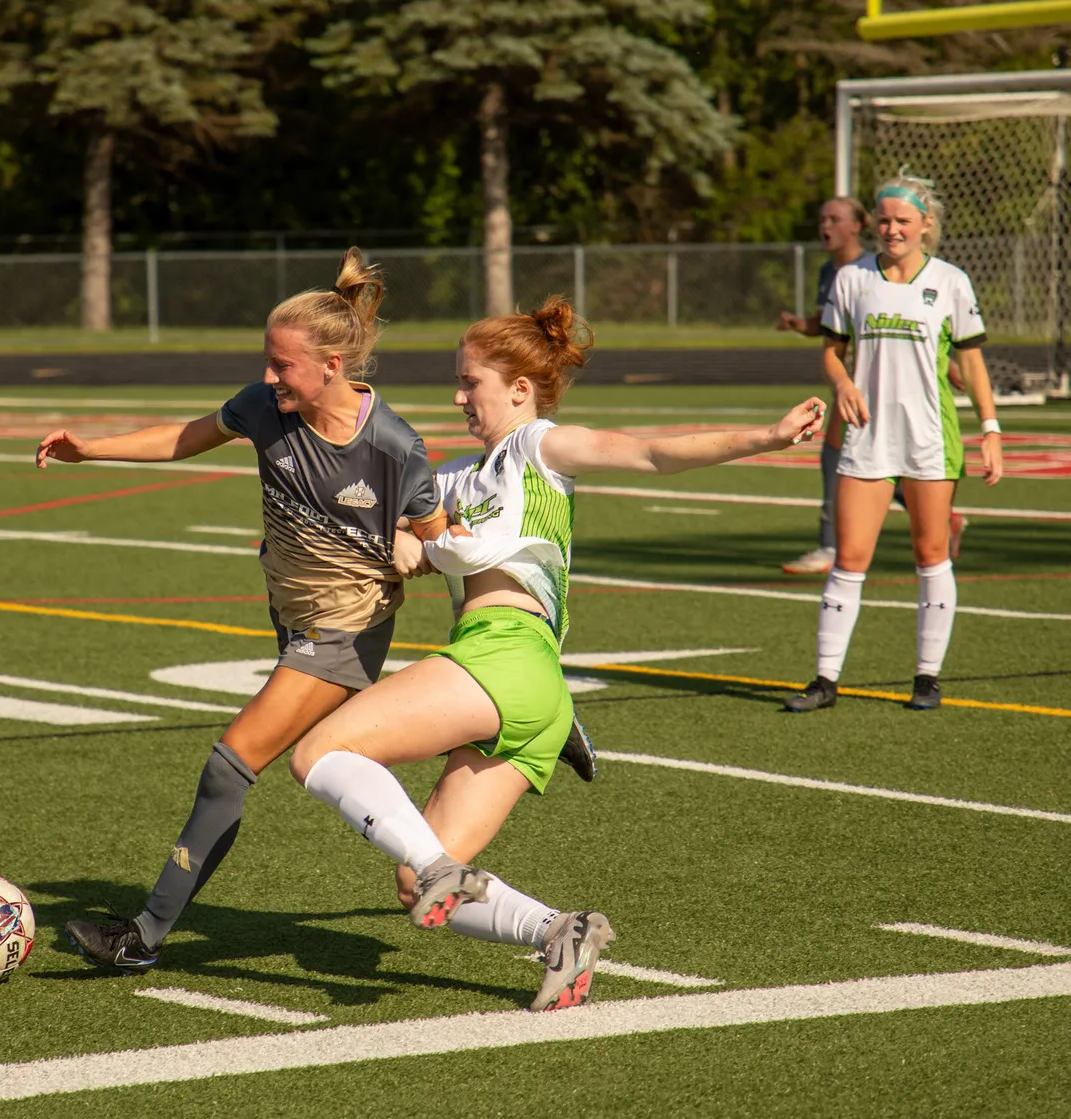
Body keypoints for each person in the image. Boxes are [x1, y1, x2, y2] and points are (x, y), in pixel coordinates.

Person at [288, 296, 826, 1011]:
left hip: (506, 655)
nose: (457, 395)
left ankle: (453, 872)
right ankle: (560, 932)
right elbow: (373, 519)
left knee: (317, 753)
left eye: (469, 380)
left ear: (519, 389)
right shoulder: (448, 477)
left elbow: (648, 451)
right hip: (532, 694)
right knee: (417, 883)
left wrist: (767, 434)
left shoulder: (536, 445)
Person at [34, 248, 454, 972]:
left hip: (345, 633)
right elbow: (189, 434)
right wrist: (91, 449)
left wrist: (415, 541)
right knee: (337, 760)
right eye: (267, 360)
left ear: (330, 366)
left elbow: (450, 548)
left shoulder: (393, 445)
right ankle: (496, 740)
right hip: (294, 622)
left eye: (282, 364)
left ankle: (144, 935)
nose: (267, 376)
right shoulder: (266, 407)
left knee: (232, 764)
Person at [784, 172, 1003, 714]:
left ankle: (927, 678)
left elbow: (971, 364)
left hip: (930, 436)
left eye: (903, 220)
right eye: (884, 219)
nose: (891, 229)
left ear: (926, 225)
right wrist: (842, 383)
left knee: (931, 555)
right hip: (867, 437)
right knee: (849, 558)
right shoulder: (852, 278)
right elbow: (833, 350)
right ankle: (825, 680)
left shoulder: (951, 281)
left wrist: (991, 429)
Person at [777, 197, 967, 575]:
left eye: (834, 218)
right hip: (849, 384)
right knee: (865, 461)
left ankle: (830, 546)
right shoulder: (831, 272)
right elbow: (830, 327)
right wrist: (801, 325)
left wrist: (950, 369)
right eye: (822, 218)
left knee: (841, 458)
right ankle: (942, 518)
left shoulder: (870, 270)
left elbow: (908, 326)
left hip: (878, 388)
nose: (825, 225)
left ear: (856, 226)